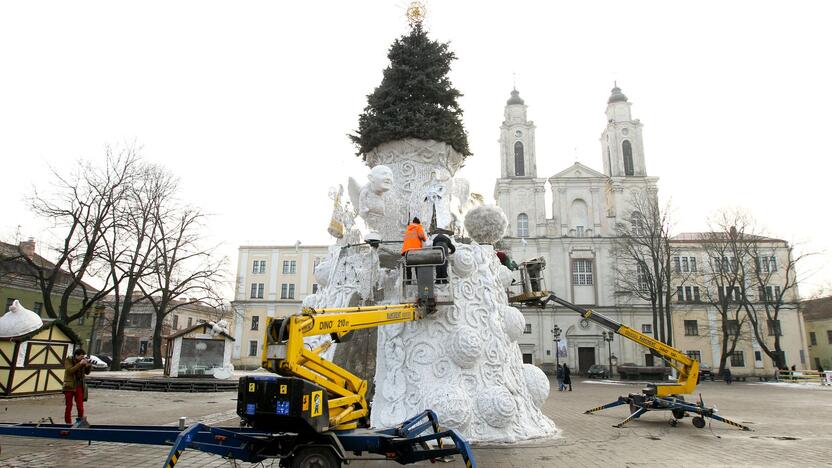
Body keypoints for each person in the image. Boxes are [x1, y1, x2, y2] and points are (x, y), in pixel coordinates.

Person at [63, 348, 92, 424]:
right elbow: (70, 371)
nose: (82, 358)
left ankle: (80, 422)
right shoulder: (68, 360)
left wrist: (88, 366)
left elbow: (87, 373)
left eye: (83, 356)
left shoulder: (81, 362)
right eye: (81, 356)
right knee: (69, 406)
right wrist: (80, 364)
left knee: (80, 407)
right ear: (76, 355)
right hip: (69, 386)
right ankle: (68, 423)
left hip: (79, 386)